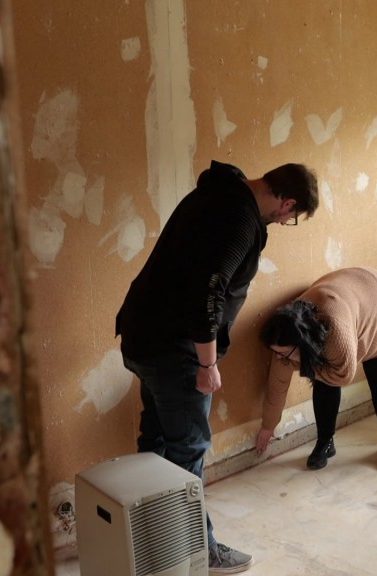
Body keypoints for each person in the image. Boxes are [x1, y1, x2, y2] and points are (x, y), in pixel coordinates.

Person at [115, 160, 318, 574]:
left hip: (143, 336)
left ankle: (150, 540)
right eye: (290, 219)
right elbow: (208, 295)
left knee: (156, 443)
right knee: (187, 450)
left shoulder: (219, 192)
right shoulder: (239, 218)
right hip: (175, 351)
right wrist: (207, 364)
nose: (284, 224)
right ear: (287, 203)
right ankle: (197, 551)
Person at [255, 267, 377, 470]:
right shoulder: (284, 338)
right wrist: (268, 425)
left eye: (285, 355)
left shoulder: (336, 336)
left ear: (304, 346)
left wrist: (312, 368)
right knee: (322, 379)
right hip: (349, 297)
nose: (281, 359)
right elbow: (277, 384)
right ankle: (325, 442)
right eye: (277, 354)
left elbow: (343, 375)